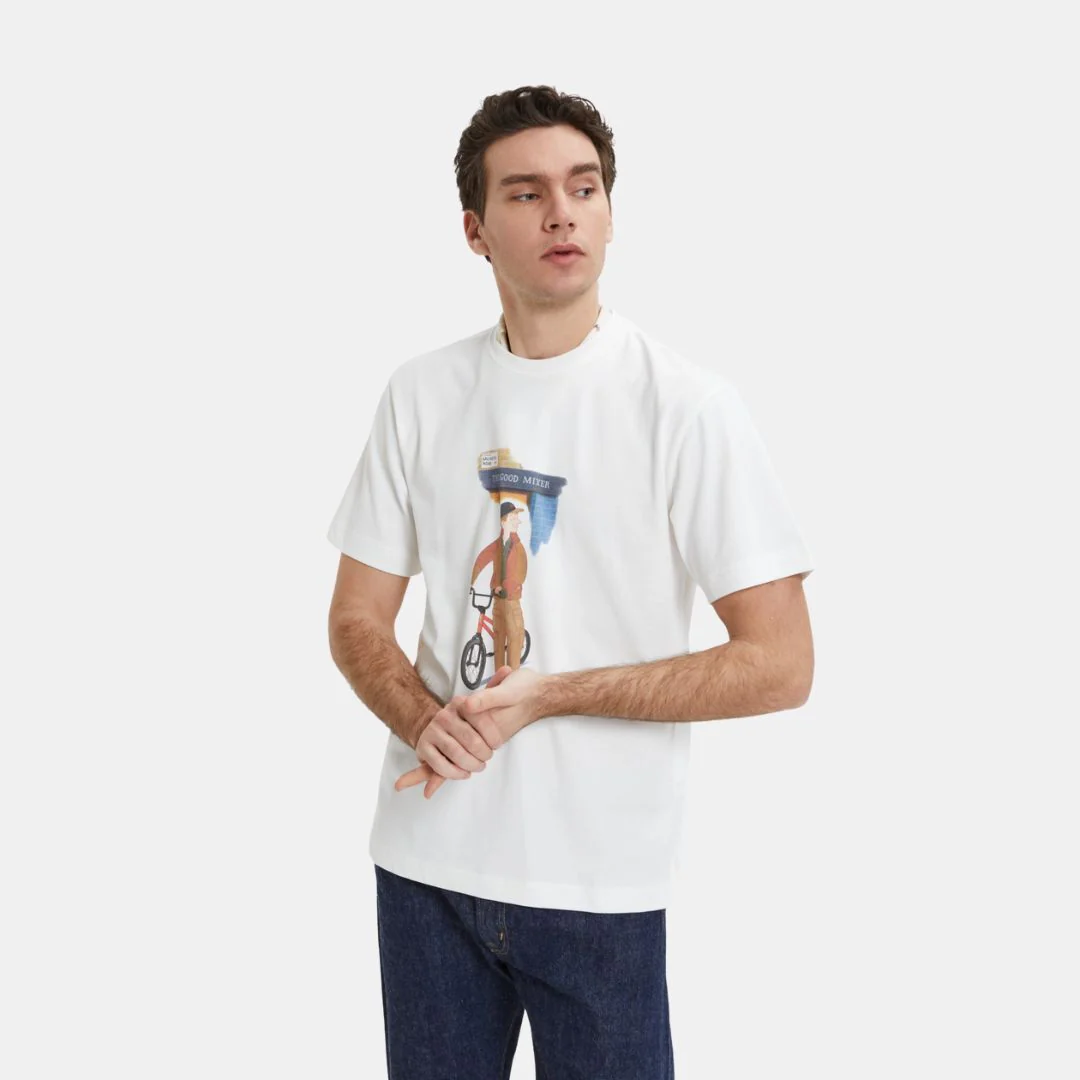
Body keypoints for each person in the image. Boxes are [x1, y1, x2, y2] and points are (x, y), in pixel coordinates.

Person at [326, 84, 815, 1080]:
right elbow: (355, 617)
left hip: (598, 887)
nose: (562, 214)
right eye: (526, 193)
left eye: (584, 189)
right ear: (475, 230)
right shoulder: (419, 393)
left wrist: (553, 695)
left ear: (609, 213)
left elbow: (782, 664)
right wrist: (422, 718)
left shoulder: (688, 408)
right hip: (426, 871)